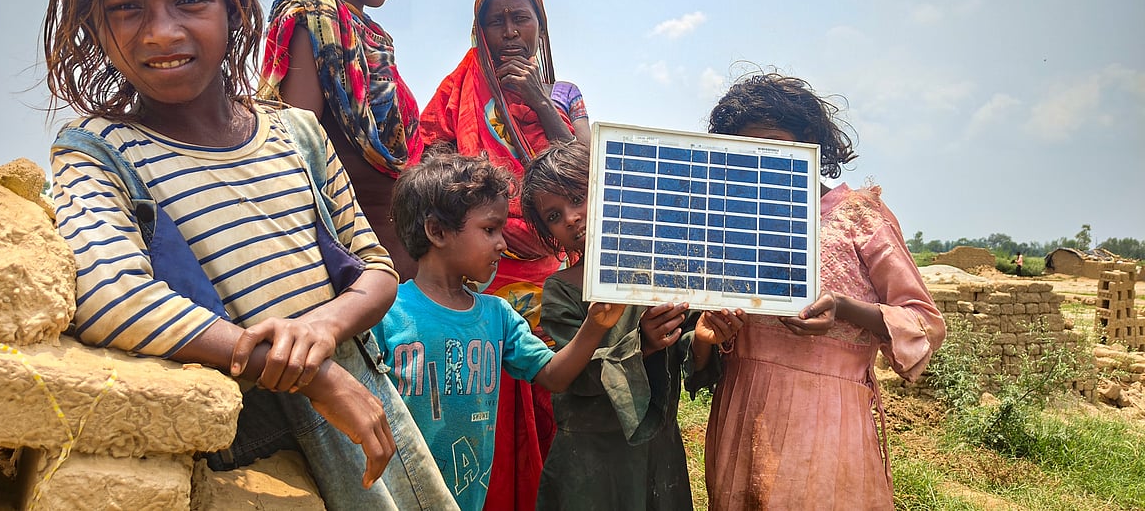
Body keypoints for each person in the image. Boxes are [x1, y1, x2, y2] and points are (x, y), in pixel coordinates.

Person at [43, 0, 455, 510]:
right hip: (254, 444)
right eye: (125, 8)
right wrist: (308, 373)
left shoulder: (296, 135)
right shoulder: (99, 151)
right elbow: (109, 295)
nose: (160, 32)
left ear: (234, 7)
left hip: (364, 408)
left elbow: (374, 269)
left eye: (189, 0)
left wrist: (323, 329)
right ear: (96, 28)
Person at [690, 72, 946, 510]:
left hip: (828, 418)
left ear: (810, 140)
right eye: (747, 152)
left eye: (775, 143)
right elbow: (708, 335)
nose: (763, 161)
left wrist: (845, 308)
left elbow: (924, 322)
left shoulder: (860, 216)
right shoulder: (733, 223)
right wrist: (714, 330)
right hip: (743, 405)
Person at [372, 150, 627, 511]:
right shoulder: (386, 313)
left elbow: (553, 376)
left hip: (470, 499)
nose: (502, 244)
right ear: (437, 231)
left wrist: (594, 326)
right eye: (490, 230)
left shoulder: (497, 315)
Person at [418, 0, 587, 508]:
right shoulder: (457, 90)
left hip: (548, 272)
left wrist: (538, 102)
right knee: (484, 400)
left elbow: (586, 172)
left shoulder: (566, 95)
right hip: (481, 271)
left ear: (540, 28)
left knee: (547, 391)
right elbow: (431, 164)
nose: (510, 31)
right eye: (497, 21)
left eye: (522, 19)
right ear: (480, 31)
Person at [520, 141, 746, 510]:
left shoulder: (663, 270)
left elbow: (689, 356)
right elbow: (572, 375)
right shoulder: (562, 290)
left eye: (578, 197)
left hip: (658, 454)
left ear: (609, 188)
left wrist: (703, 339)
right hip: (592, 459)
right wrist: (642, 343)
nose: (571, 218)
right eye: (554, 216)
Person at [259, 0, 423, 280]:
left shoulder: (370, 34)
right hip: (352, 258)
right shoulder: (314, 16)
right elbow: (303, 148)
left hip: (394, 253)